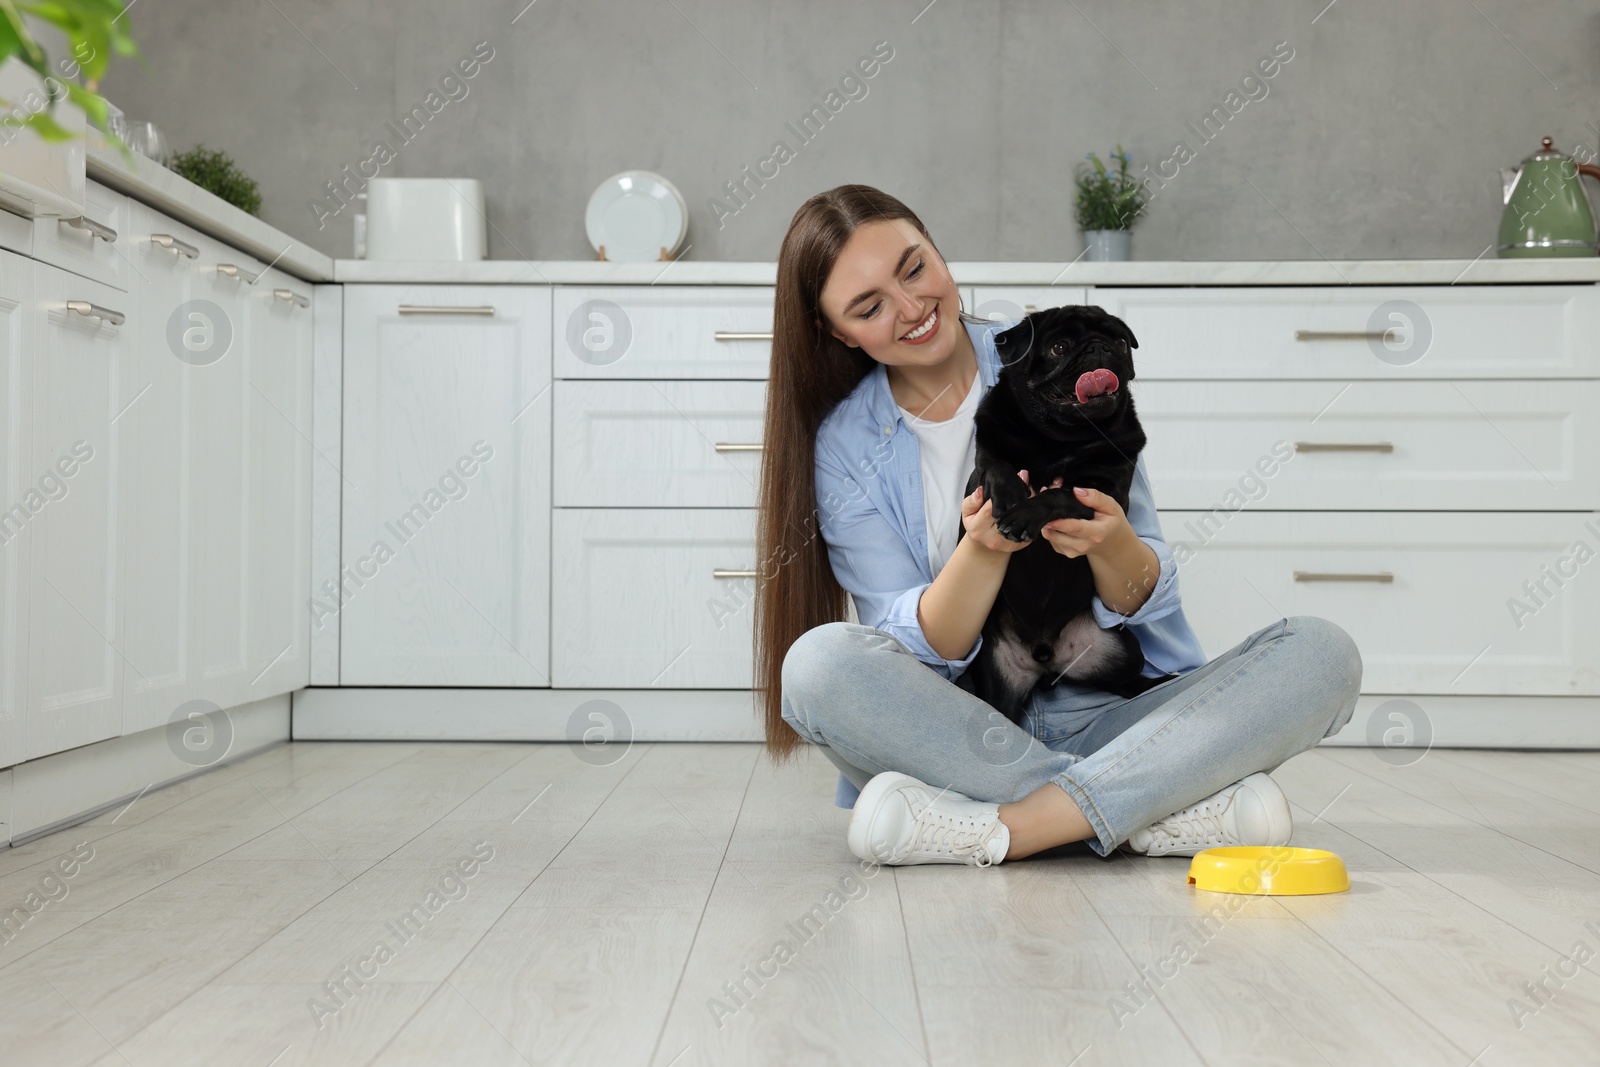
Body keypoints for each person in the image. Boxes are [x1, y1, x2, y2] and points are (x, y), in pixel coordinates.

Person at [752, 184, 1362, 868]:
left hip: (1117, 714)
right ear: (837, 331)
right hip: (966, 733)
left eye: (914, 268)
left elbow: (1143, 592)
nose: (911, 307)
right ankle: (1146, 804)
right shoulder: (843, 445)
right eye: (868, 307)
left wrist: (1114, 544)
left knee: (1322, 652)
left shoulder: (1054, 354)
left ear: (935, 247)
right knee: (814, 668)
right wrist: (983, 551)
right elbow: (920, 650)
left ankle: (1009, 825)